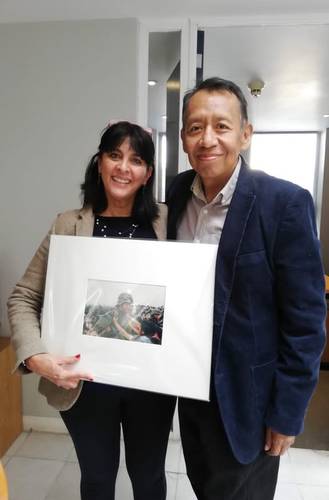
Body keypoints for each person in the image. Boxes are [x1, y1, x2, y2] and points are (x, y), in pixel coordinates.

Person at [166, 77, 326, 500]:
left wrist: (288, 412)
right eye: (196, 127)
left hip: (251, 399)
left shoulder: (285, 203)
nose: (208, 139)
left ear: (245, 134)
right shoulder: (175, 193)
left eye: (222, 125)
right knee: (205, 485)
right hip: (191, 389)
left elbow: (306, 321)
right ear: (183, 138)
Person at [7, 121, 176, 500]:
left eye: (136, 159)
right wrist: (35, 356)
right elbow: (23, 297)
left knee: (148, 478)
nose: (123, 167)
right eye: (114, 155)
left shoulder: (167, 221)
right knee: (98, 480)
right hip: (84, 387)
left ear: (148, 173)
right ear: (99, 162)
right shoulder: (68, 224)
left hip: (150, 386)